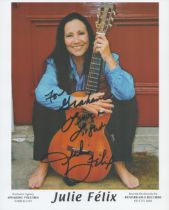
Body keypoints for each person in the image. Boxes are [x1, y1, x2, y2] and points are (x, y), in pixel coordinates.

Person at [28, 12, 139, 189]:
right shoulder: (55, 63)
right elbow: (42, 92)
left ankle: (120, 164)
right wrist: (81, 102)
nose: (76, 40)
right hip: (68, 123)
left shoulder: (106, 58)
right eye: (69, 35)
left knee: (127, 103)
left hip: (99, 122)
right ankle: (43, 163)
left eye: (81, 33)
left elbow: (127, 92)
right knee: (42, 104)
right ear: (62, 40)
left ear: (90, 35)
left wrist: (109, 57)